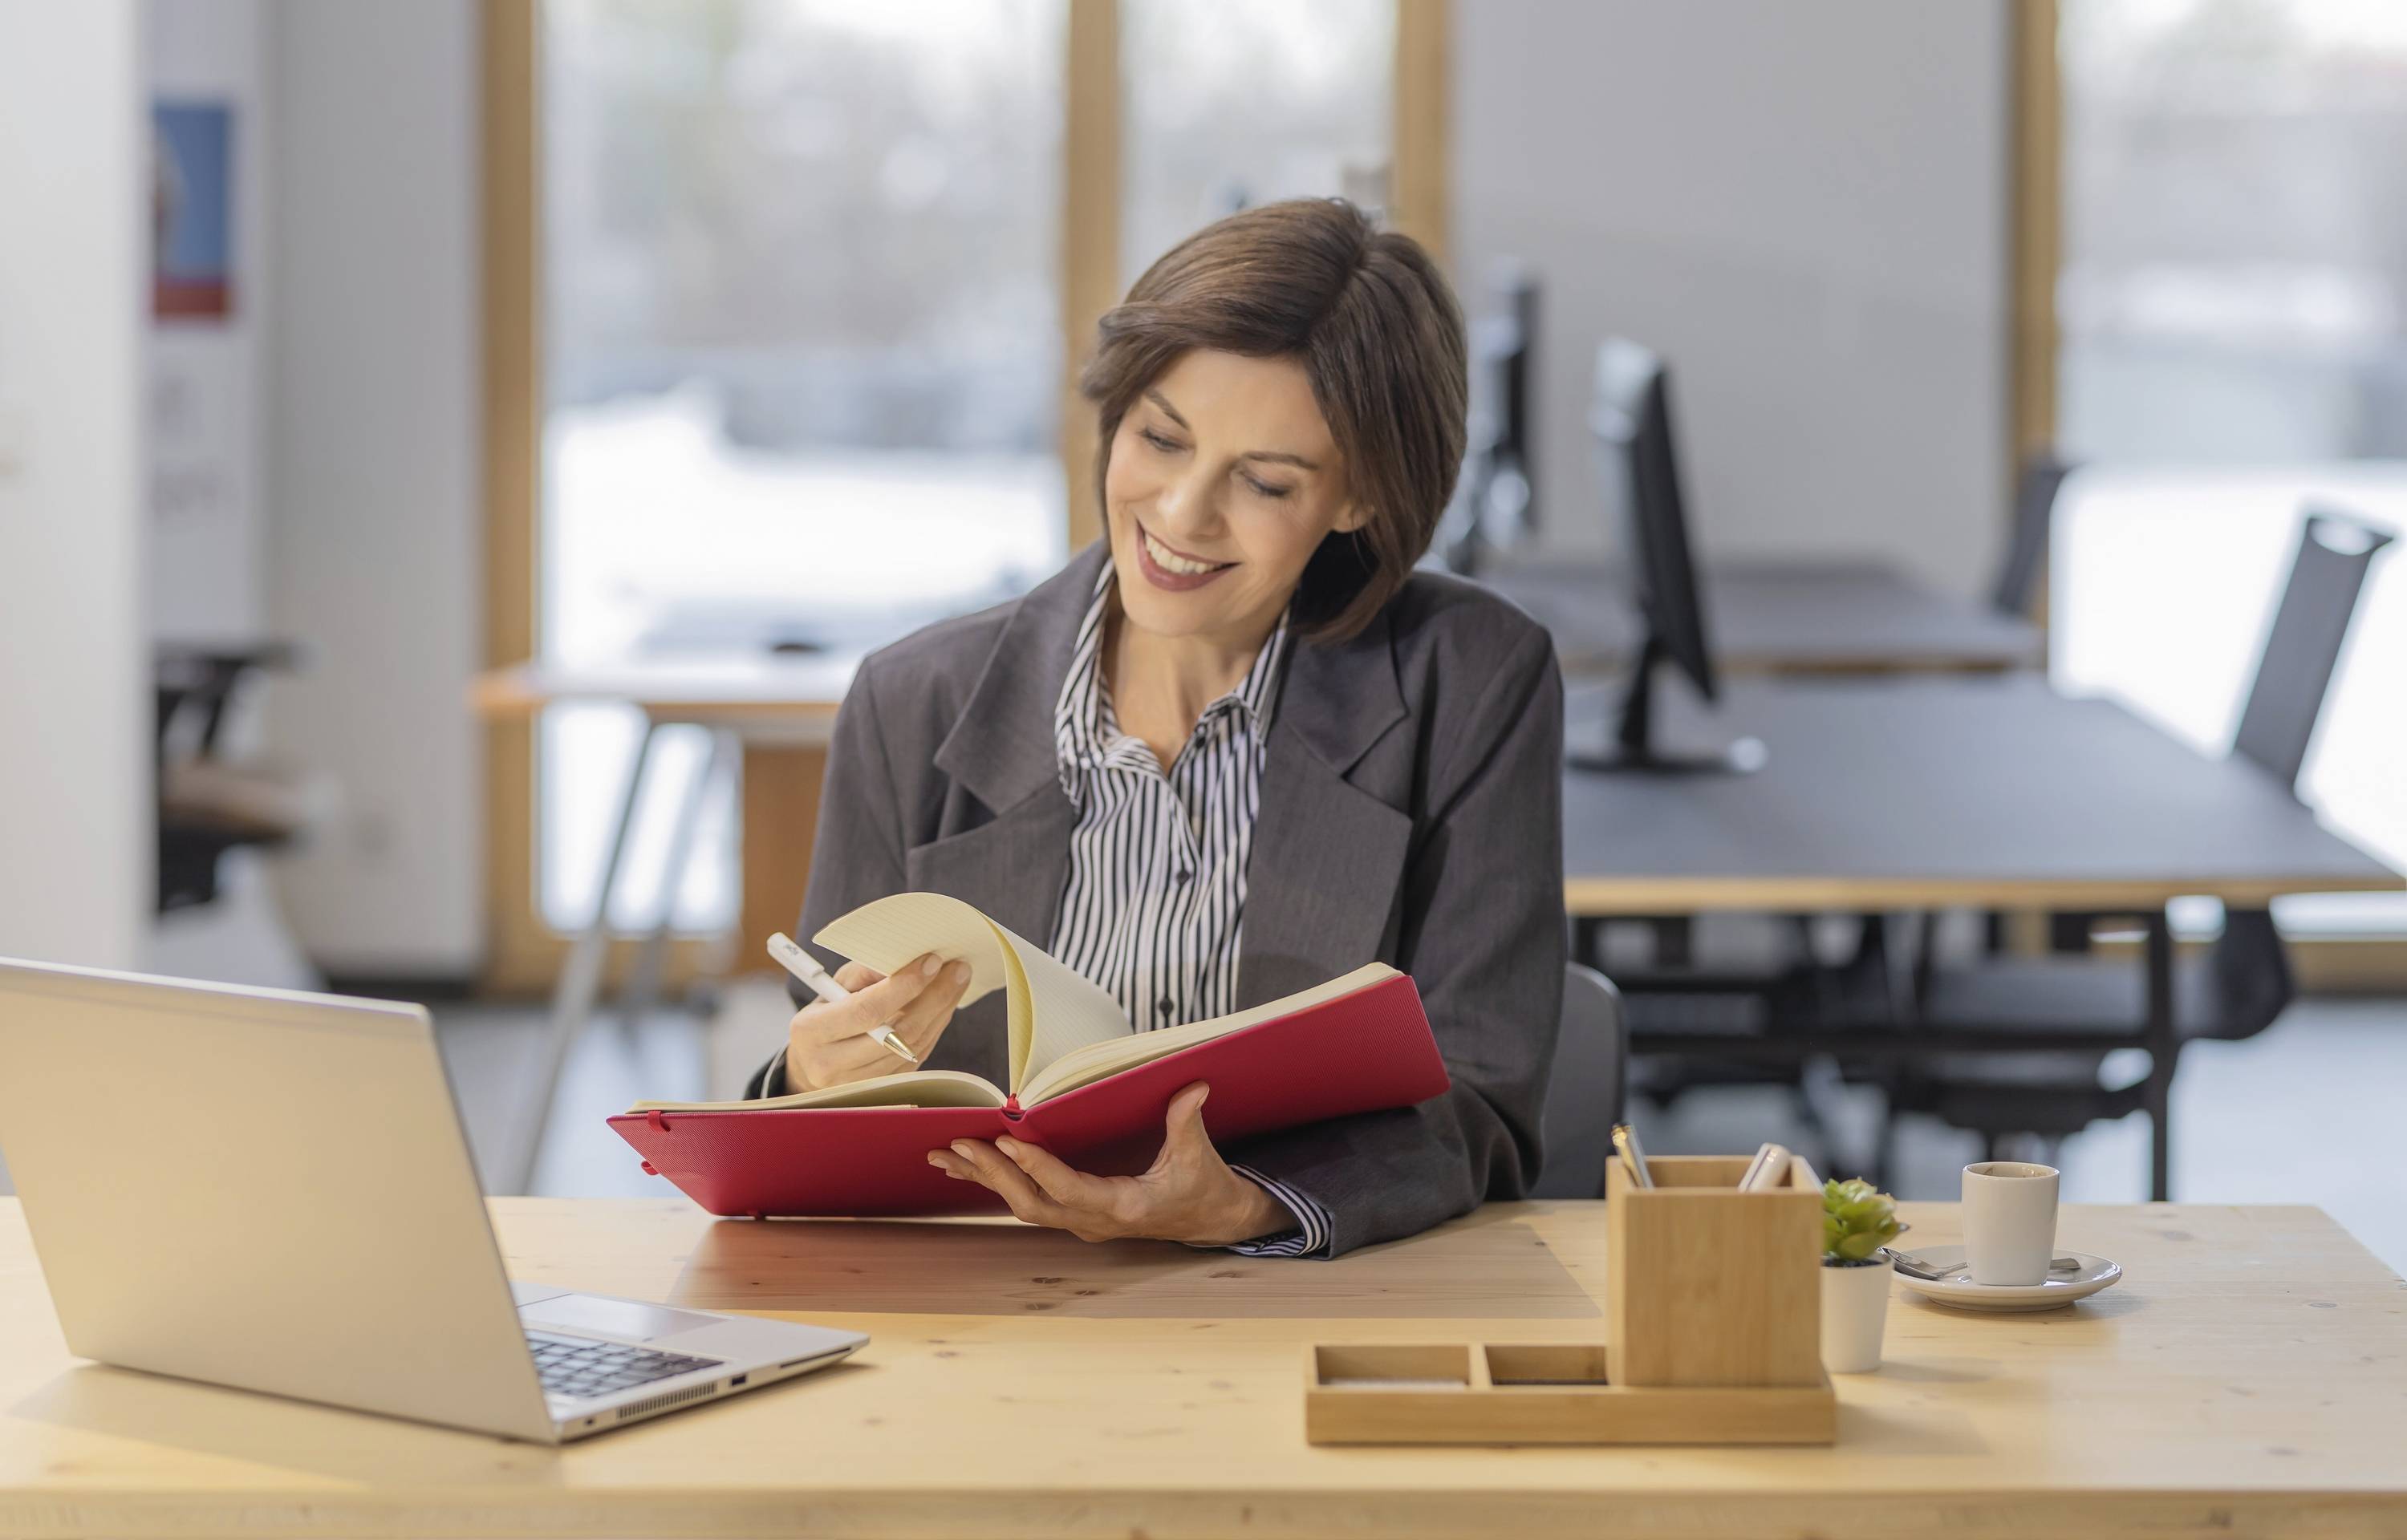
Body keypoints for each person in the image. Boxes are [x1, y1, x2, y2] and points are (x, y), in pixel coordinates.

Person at [745, 198, 1564, 1258]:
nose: (1181, 515)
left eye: (1265, 481)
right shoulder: (914, 703)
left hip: (1288, 1308)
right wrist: (811, 1078)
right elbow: (821, 1115)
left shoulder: (1472, 682)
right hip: (983, 1314)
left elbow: (1484, 1098)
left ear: (1360, 499)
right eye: (1160, 439)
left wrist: (1256, 1203)